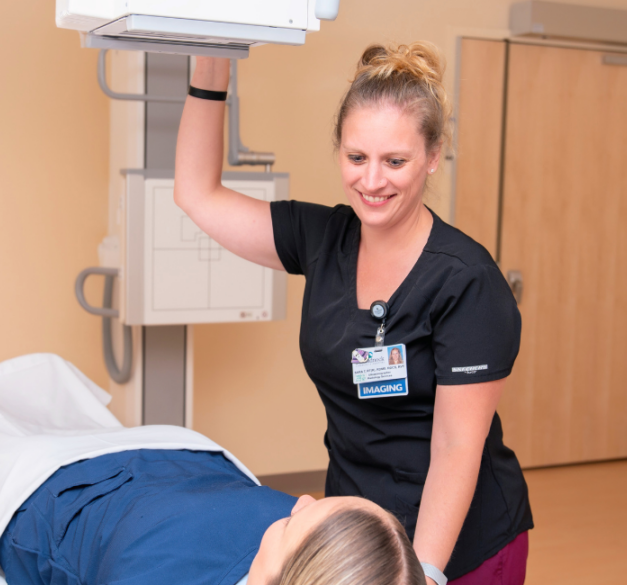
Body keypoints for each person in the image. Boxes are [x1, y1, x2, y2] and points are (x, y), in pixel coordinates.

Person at [173, 42, 533, 585]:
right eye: (356, 158)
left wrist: (426, 574)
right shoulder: (323, 239)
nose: (372, 181)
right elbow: (196, 193)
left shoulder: (465, 281)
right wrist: (212, 61)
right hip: (354, 537)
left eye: (395, 161)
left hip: (459, 547)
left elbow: (458, 446)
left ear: (433, 156)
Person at [0, 448, 425, 585]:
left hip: (61, 495)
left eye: (298, 523)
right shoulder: (284, 526)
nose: (303, 501)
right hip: (172, 460)